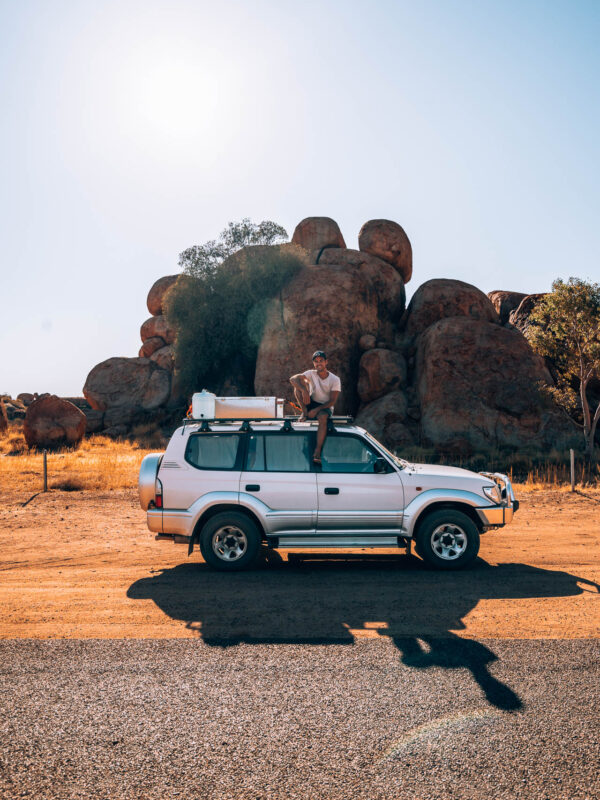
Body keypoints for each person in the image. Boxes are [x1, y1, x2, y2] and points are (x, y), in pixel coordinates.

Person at [289, 351, 341, 465]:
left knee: (322, 418)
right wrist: (304, 390)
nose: (318, 364)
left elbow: (332, 401)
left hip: (325, 406)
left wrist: (317, 410)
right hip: (312, 402)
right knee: (297, 388)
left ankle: (317, 451)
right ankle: (304, 412)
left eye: (321, 361)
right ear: (314, 363)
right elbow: (293, 379)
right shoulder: (311, 373)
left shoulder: (335, 379)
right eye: (316, 362)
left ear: (326, 362)